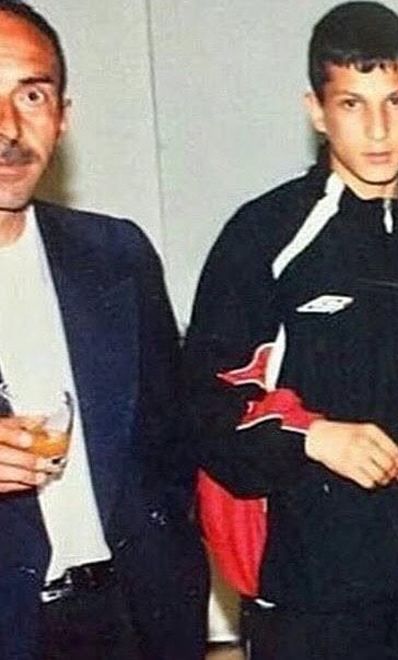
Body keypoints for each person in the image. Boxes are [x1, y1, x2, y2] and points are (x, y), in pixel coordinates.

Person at [185, 2, 398, 658]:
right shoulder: (263, 235)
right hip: (311, 593)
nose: (378, 129)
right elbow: (203, 408)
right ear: (317, 111)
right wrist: (315, 438)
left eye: (395, 102)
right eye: (352, 104)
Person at [0, 3, 208, 658]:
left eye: (31, 95)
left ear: (62, 116)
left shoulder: (117, 255)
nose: (8, 127)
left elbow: (172, 449)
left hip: (128, 624)